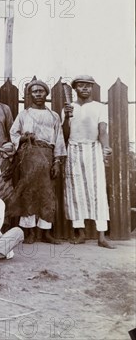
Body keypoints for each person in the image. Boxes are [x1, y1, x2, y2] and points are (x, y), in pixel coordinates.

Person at [8, 79, 66, 245]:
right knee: (29, 192)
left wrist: (56, 162)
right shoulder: (24, 114)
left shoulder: (53, 116)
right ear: (30, 94)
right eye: (35, 91)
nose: (38, 94)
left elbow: (59, 139)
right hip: (29, 155)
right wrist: (25, 137)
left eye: (41, 91)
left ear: (46, 94)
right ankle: (31, 232)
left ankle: (45, 232)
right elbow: (13, 134)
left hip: (47, 155)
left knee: (47, 193)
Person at [63, 75, 115, 249]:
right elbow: (64, 134)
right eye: (81, 86)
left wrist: (105, 148)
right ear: (75, 89)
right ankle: (80, 233)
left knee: (98, 191)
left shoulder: (99, 107)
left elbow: (102, 130)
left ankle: (102, 236)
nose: (85, 88)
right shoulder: (70, 108)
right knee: (74, 190)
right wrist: (66, 117)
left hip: (93, 149)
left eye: (88, 86)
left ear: (92, 88)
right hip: (73, 149)